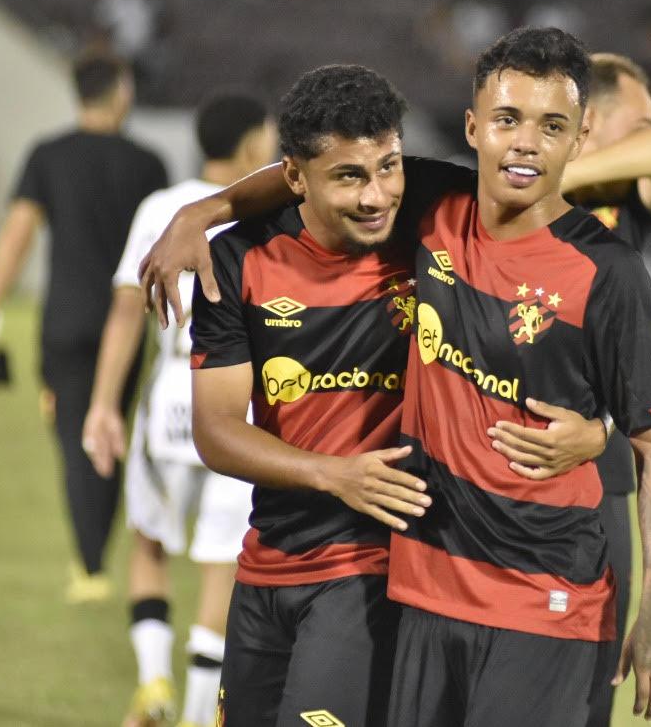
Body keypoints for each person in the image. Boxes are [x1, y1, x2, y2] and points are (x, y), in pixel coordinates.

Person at [186, 63, 606, 726]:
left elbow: (555, 313)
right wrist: (331, 474)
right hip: (265, 563)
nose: (378, 195)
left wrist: (601, 426)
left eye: (388, 167)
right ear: (296, 177)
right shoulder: (238, 260)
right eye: (350, 177)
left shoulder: (433, 227)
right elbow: (213, 427)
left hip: (375, 573)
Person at [385, 26, 651, 726]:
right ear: (473, 127)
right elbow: (316, 169)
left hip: (546, 598)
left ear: (581, 139)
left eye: (552, 126)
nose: (526, 142)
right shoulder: (427, 205)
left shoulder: (606, 270)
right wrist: (206, 212)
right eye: (507, 120)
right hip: (426, 585)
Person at [81, 92, 276, 727]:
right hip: (232, 401)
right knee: (222, 565)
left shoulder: (161, 208)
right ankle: (195, 715)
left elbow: (123, 312)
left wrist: (104, 405)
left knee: (149, 545)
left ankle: (153, 682)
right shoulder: (266, 210)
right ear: (250, 144)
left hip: (167, 396)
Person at [0, 50, 167, 601]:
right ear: (121, 92)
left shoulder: (48, 155)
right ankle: (97, 555)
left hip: (63, 319)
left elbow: (17, 234)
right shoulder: (147, 163)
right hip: (127, 321)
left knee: (74, 432)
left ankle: (88, 564)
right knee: (110, 426)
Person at [560, 51, 651, 727]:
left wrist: (554, 179)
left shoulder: (620, 200)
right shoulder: (494, 199)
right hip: (491, 474)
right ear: (590, 117)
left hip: (603, 475)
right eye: (638, 121)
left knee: (592, 686)